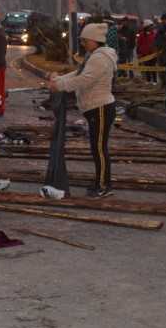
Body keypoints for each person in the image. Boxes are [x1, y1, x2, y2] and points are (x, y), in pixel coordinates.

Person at [47, 22, 118, 198]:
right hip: (95, 108)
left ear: (95, 40)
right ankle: (100, 181)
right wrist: (59, 80)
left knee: (99, 149)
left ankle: (103, 185)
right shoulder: (93, 56)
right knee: (97, 148)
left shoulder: (100, 58)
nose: (83, 43)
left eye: (85, 40)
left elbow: (85, 80)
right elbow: (78, 73)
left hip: (100, 107)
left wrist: (61, 85)